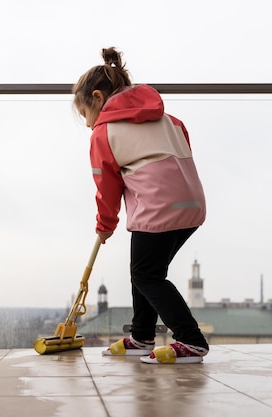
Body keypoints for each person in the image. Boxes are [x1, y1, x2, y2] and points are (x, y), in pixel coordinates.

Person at [72, 47, 209, 364]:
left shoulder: (104, 133)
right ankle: (141, 336)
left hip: (157, 208)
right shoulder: (169, 120)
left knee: (146, 275)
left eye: (85, 115)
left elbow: (107, 187)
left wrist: (105, 224)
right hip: (191, 205)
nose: (88, 123)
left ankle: (191, 340)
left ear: (96, 97)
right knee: (147, 272)